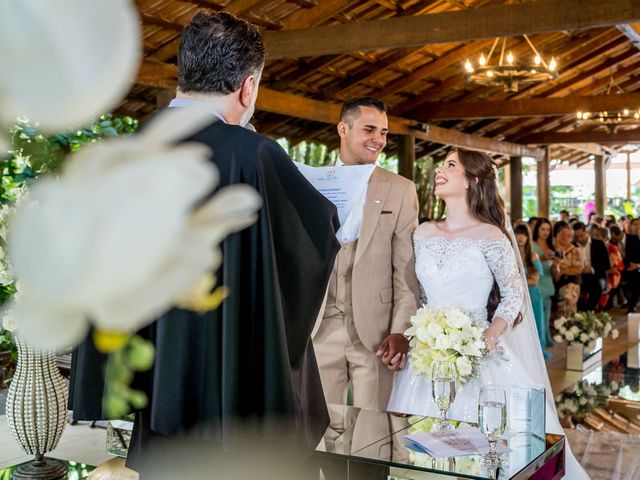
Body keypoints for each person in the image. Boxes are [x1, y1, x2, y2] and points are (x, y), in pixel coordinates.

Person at [69, 11, 340, 475]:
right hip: (240, 404)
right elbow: (310, 243)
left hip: (158, 397)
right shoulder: (255, 155)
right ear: (247, 87)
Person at [386, 148, 588, 479]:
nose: (440, 169)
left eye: (451, 165)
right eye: (442, 163)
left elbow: (513, 295)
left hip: (477, 352)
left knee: (487, 451)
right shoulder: (422, 233)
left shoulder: (491, 236)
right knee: (423, 451)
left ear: (472, 180)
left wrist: (489, 337)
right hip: (427, 358)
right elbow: (419, 296)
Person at [313, 97, 420, 411]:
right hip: (319, 326)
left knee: (371, 434)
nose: (379, 139)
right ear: (343, 129)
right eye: (370, 129)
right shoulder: (311, 183)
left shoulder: (401, 189)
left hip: (376, 334)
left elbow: (406, 269)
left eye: (384, 132)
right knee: (318, 428)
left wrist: (401, 330)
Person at [515, 222, 550, 359]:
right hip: (517, 295)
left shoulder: (533, 256)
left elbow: (535, 281)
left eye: (523, 234)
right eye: (518, 234)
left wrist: (516, 283)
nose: (520, 238)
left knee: (534, 324)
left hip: (532, 294)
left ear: (528, 237)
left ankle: (535, 355)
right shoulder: (511, 254)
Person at [532, 217, 557, 346]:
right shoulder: (532, 245)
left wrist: (556, 264)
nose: (545, 232)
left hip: (548, 280)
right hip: (537, 282)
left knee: (547, 314)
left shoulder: (551, 244)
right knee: (538, 315)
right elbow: (529, 264)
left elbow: (553, 267)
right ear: (537, 230)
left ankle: (546, 336)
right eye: (543, 229)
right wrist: (542, 258)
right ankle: (538, 341)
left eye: (548, 229)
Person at [552, 221, 584, 317]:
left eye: (569, 236)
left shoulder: (576, 250)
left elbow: (579, 269)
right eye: (562, 234)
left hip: (569, 285)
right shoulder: (551, 248)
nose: (565, 237)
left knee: (567, 314)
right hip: (553, 284)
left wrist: (562, 271)